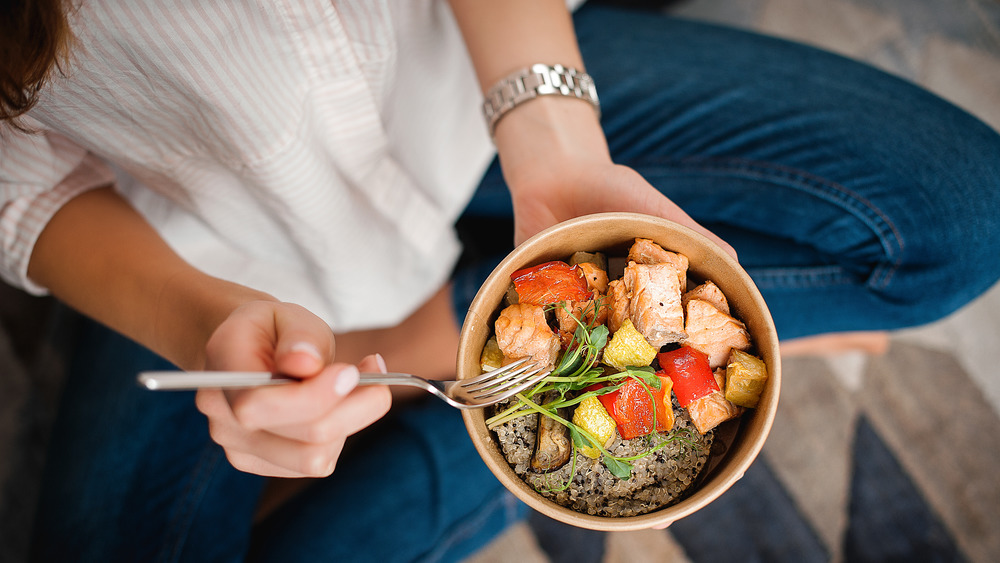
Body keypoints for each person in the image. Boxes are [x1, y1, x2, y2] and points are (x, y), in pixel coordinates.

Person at [2, 0, 999, 561]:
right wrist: (200, 323)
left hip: (481, 92)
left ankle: (461, 363)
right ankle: (501, 398)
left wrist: (556, 144)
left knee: (964, 215)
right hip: (206, 240)